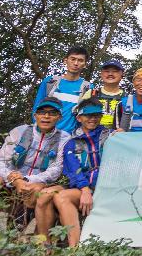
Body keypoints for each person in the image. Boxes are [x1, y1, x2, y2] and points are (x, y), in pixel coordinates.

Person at [0, 97, 70, 217]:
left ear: (59, 117)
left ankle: (16, 231)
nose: (46, 116)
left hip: (34, 182)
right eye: (42, 112)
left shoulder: (64, 138)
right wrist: (14, 179)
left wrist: (27, 179)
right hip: (10, 180)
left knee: (36, 189)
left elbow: (56, 169)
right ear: (35, 115)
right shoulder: (19, 131)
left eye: (52, 113)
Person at [44, 98, 111, 246]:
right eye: (88, 115)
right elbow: (74, 170)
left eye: (96, 115)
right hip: (86, 188)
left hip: (109, 187)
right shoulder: (71, 142)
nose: (92, 119)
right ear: (79, 117)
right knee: (61, 197)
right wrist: (85, 190)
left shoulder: (111, 136)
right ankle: (74, 248)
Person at [32, 47, 93, 133]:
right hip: (44, 134)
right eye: (73, 59)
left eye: (80, 60)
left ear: (85, 64)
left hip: (69, 138)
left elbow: (85, 115)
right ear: (65, 60)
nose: (76, 63)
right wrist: (38, 130)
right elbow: (37, 107)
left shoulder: (87, 87)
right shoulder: (50, 82)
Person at [82, 59, 125, 128]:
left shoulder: (127, 98)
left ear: (122, 74)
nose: (110, 74)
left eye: (115, 71)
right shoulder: (91, 93)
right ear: (101, 74)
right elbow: (81, 116)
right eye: (107, 71)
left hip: (117, 136)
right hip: (93, 135)